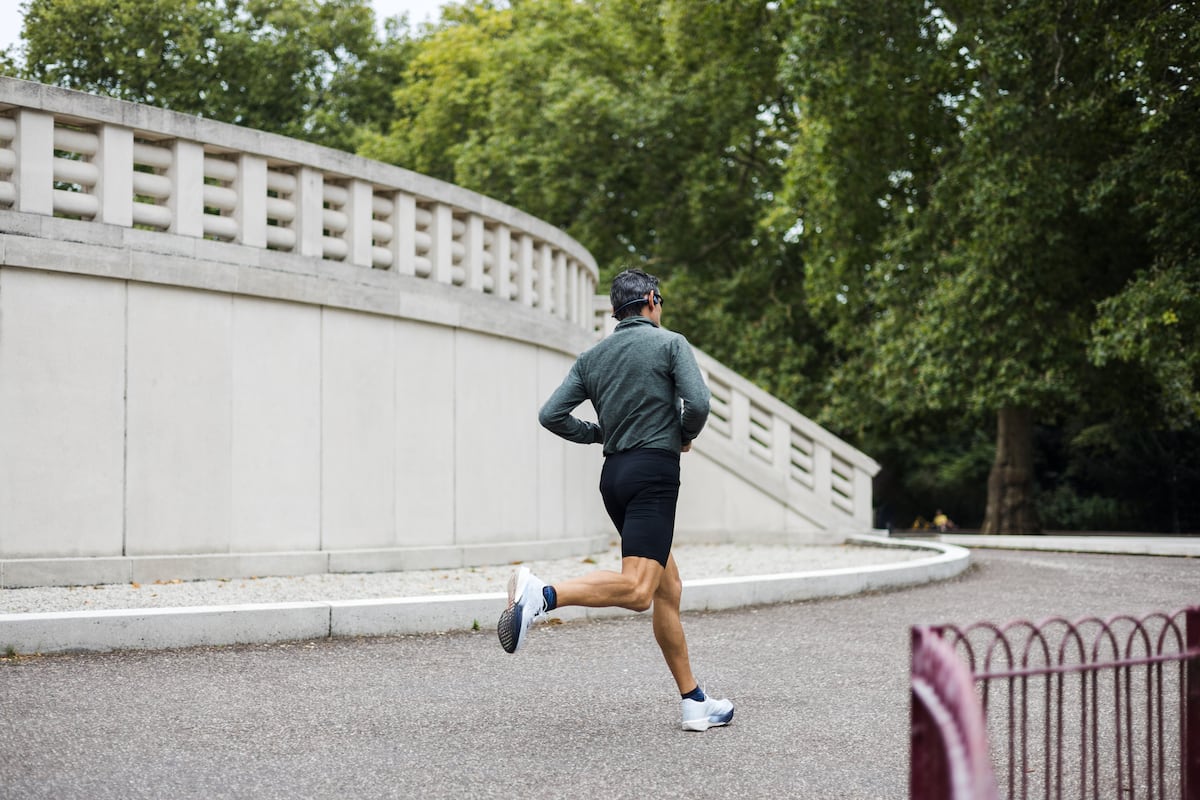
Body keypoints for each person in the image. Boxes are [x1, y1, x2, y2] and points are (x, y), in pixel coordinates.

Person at [496, 268, 734, 732]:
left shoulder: (592, 358)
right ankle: (542, 595)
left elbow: (551, 415)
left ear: (614, 312)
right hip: (654, 475)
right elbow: (700, 404)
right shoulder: (670, 343)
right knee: (640, 590)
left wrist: (598, 434)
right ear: (650, 299)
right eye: (659, 299)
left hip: (615, 477)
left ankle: (695, 702)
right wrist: (681, 436)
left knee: (669, 588)